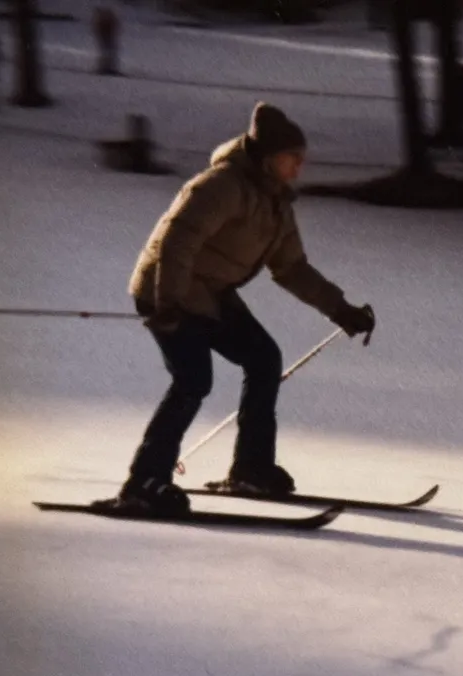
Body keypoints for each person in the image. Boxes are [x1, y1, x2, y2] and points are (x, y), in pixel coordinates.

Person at [107, 102, 376, 516]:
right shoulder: (221, 186)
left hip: (209, 292)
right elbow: (177, 242)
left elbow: (291, 268)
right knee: (193, 381)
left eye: (301, 158)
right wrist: (169, 303)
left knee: (264, 359)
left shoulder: (276, 203)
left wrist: (341, 310)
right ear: (268, 156)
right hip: (165, 290)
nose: (299, 167)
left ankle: (251, 468)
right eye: (292, 157)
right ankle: (144, 481)